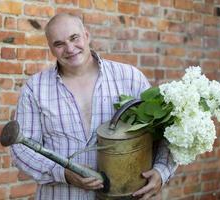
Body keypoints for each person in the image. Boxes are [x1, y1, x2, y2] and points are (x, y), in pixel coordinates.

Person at [10, 13, 177, 200]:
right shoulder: (35, 88)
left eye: (74, 38)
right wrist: (62, 173)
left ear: (86, 35)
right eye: (59, 44)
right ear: (51, 48)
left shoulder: (130, 78)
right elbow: (22, 149)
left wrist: (162, 171)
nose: (70, 48)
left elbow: (164, 132)